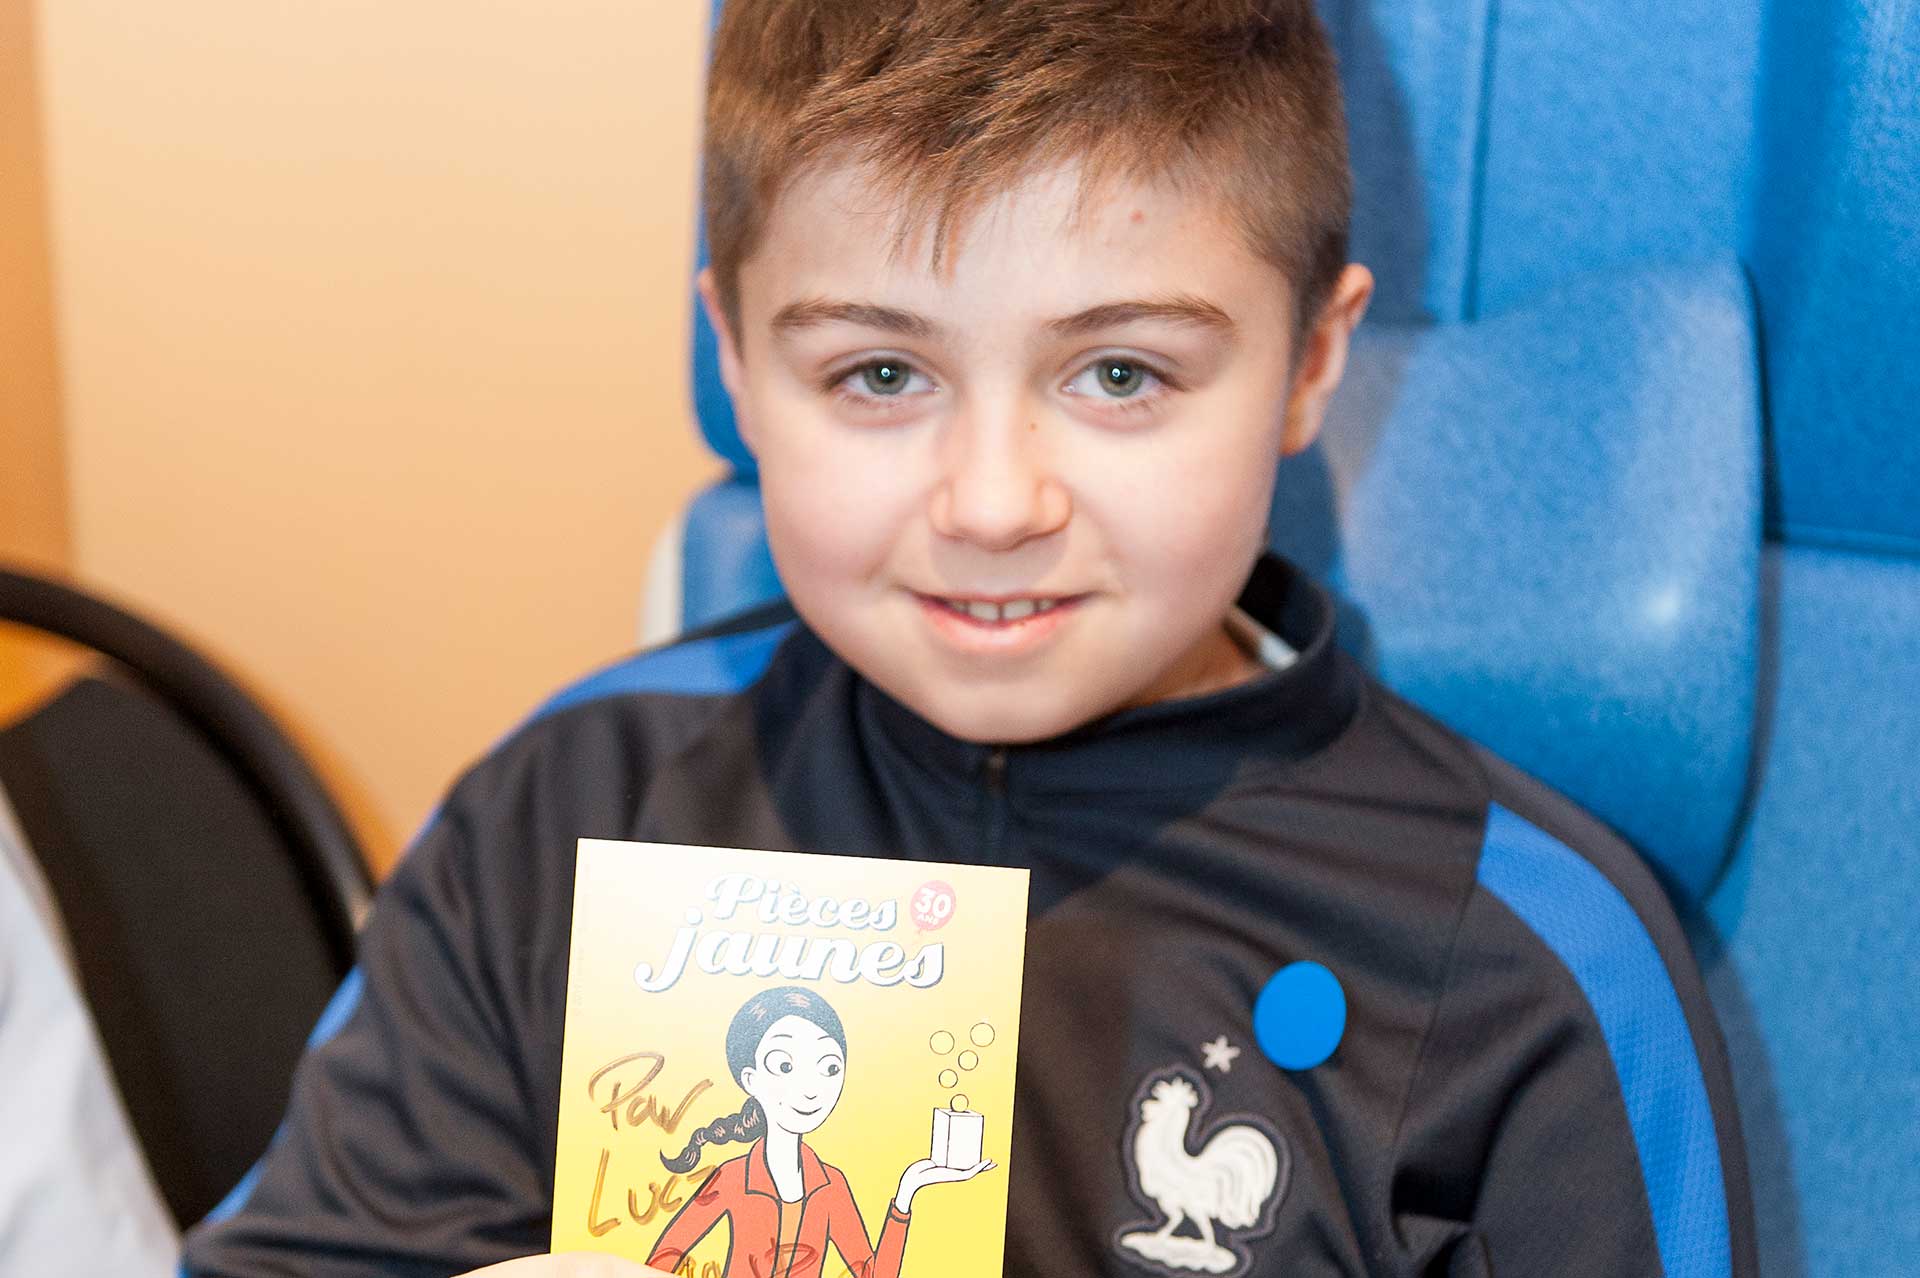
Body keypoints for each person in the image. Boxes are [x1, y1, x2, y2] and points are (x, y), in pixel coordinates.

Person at [182, 1, 1757, 1275]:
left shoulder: (1527, 966)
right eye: (879, 376)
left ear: (1308, 361)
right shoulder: (567, 813)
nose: (994, 502)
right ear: (734, 356)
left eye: (1122, 375)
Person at [643, 987, 991, 1277]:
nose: (810, 1090)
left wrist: (907, 1191)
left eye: (829, 1067)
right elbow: (664, 1256)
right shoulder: (733, 1178)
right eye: (784, 1065)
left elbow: (871, 1273)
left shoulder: (831, 1185)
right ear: (751, 1080)